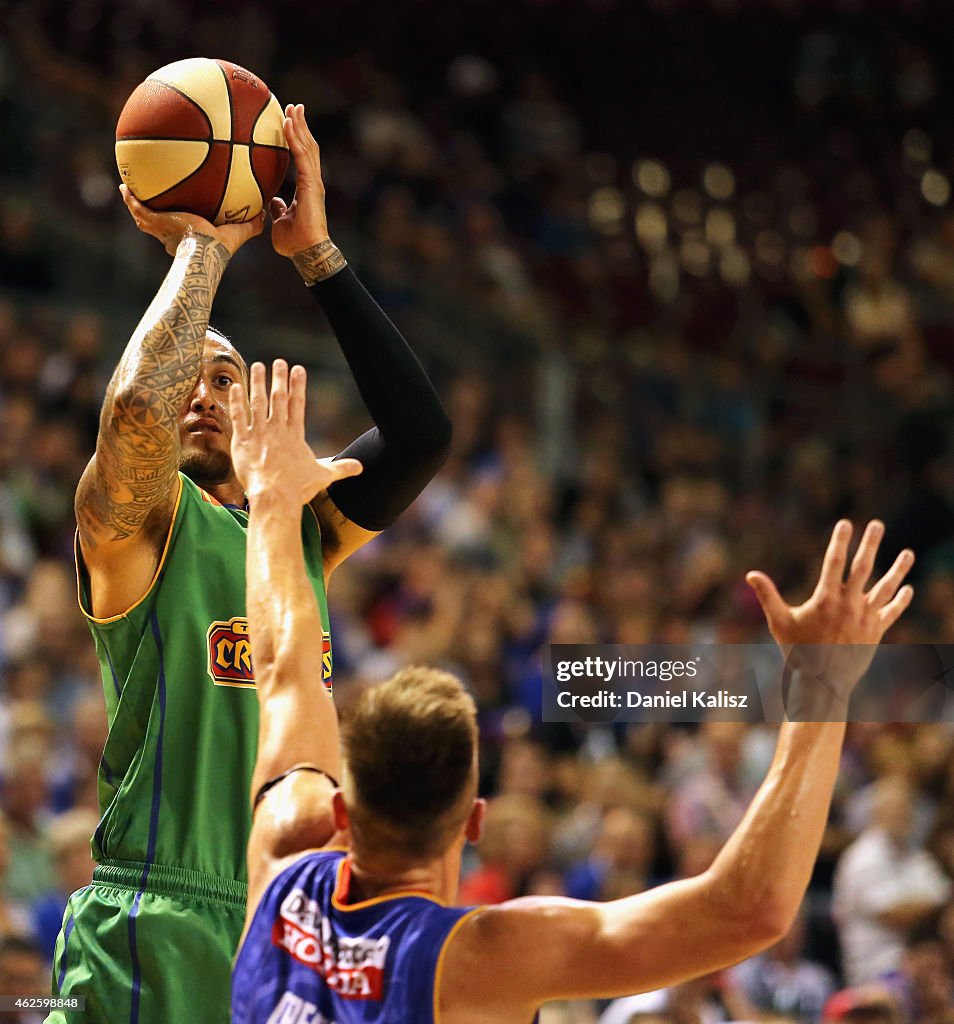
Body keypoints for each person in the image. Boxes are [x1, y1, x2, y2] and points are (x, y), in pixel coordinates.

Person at [229, 360, 915, 1024]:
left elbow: (283, 661)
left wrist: (269, 501)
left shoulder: (282, 855)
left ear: (341, 808)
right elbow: (747, 910)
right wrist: (821, 686)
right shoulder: (486, 956)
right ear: (473, 821)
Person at [50, 105, 451, 1024]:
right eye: (189, 369)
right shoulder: (140, 527)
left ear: (259, 404)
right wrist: (207, 243)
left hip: (281, 923)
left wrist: (316, 254)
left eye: (225, 377)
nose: (201, 390)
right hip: (157, 914)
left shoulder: (298, 533)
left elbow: (422, 435)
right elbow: (138, 419)